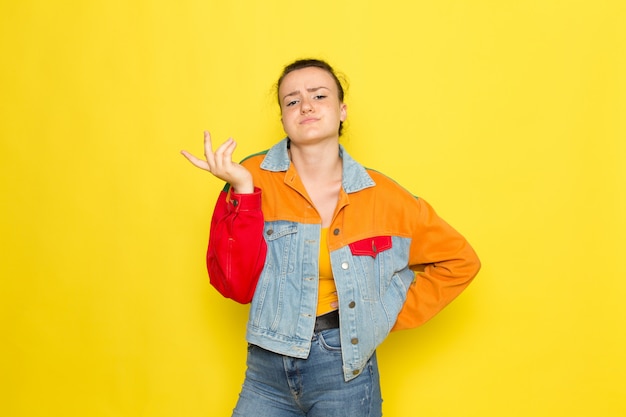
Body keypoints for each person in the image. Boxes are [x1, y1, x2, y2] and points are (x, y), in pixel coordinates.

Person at [181, 58, 481, 417]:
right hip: (265, 368)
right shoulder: (247, 177)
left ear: (341, 111)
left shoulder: (384, 197)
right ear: (283, 119)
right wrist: (243, 192)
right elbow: (235, 286)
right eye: (292, 100)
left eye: (318, 95)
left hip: (344, 370)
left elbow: (460, 261)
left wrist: (378, 314)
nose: (305, 105)